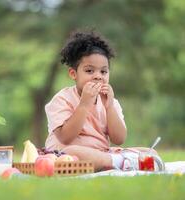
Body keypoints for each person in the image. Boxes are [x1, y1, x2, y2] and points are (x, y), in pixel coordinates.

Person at [44, 30, 163, 171]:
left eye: (103, 71)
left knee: (150, 153)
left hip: (102, 154)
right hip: (67, 155)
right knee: (74, 152)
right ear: (73, 74)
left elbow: (119, 139)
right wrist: (84, 104)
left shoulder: (111, 102)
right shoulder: (62, 99)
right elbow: (65, 138)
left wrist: (110, 106)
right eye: (89, 71)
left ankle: (118, 162)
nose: (98, 76)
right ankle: (124, 163)